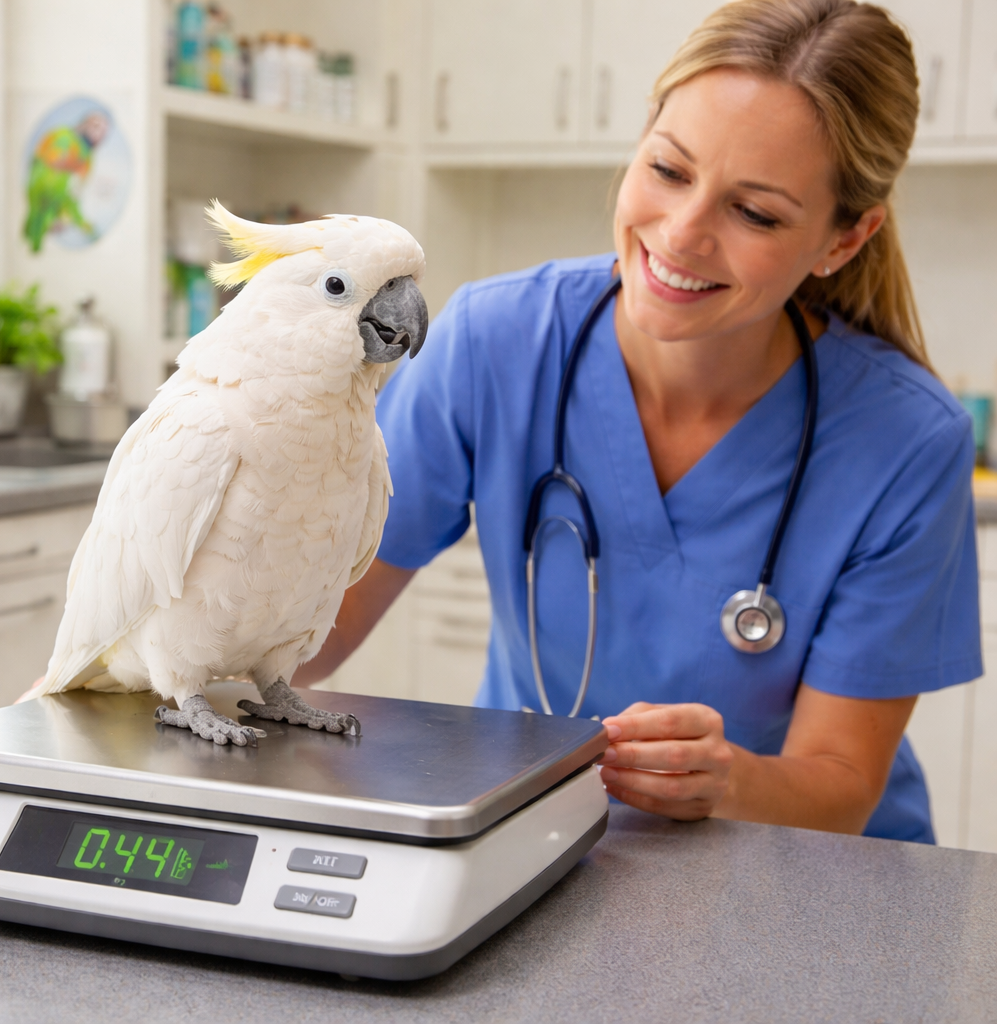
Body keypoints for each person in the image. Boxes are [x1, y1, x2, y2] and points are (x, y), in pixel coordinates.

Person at [294, 0, 981, 843]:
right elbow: (305, 633)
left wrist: (725, 780)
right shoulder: (493, 345)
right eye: (668, 169)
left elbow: (840, 788)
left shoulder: (906, 441)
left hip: (805, 881)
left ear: (845, 239)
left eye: (755, 213)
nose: (683, 235)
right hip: (540, 849)